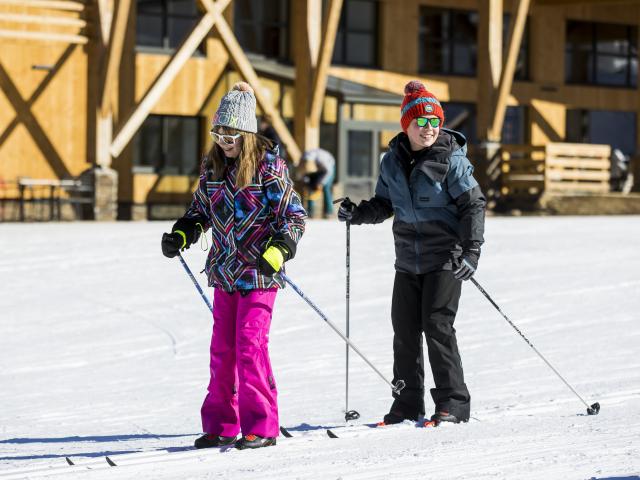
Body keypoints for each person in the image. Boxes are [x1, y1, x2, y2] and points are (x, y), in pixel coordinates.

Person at [161, 82, 306, 450]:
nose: (225, 140)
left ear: (247, 132)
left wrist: (278, 251)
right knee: (222, 350)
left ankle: (262, 426)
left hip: (260, 273)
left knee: (249, 346)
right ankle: (222, 424)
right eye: (219, 132)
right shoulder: (211, 168)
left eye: (232, 133)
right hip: (225, 273)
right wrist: (182, 233)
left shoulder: (269, 166)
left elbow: (293, 216)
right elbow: (200, 212)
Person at [338, 81, 485, 426]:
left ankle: (453, 403)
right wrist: (358, 213)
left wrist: (471, 250)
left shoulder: (450, 160)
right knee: (404, 331)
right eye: (421, 122)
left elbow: (473, 205)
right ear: (407, 124)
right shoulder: (391, 161)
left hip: (445, 258)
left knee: (437, 326)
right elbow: (385, 204)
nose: (429, 128)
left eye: (434, 122)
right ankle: (406, 405)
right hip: (407, 259)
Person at [302, 148, 336, 218]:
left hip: (328, 169)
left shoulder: (322, 160)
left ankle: (329, 212)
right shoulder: (304, 158)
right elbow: (303, 171)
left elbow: (328, 172)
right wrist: (306, 180)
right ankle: (310, 212)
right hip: (318, 169)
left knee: (326, 188)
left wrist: (321, 183)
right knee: (311, 187)